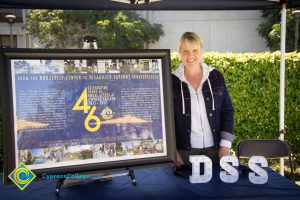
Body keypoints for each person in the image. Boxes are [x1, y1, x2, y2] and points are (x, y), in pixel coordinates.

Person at [172, 32, 234, 167]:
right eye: (185, 51)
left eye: (195, 50)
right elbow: (165, 119)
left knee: (217, 188)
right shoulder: (171, 81)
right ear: (180, 53)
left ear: (201, 52)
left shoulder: (215, 76)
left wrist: (225, 146)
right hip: (184, 152)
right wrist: (172, 150)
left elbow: (227, 111)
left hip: (215, 150)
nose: (190, 55)